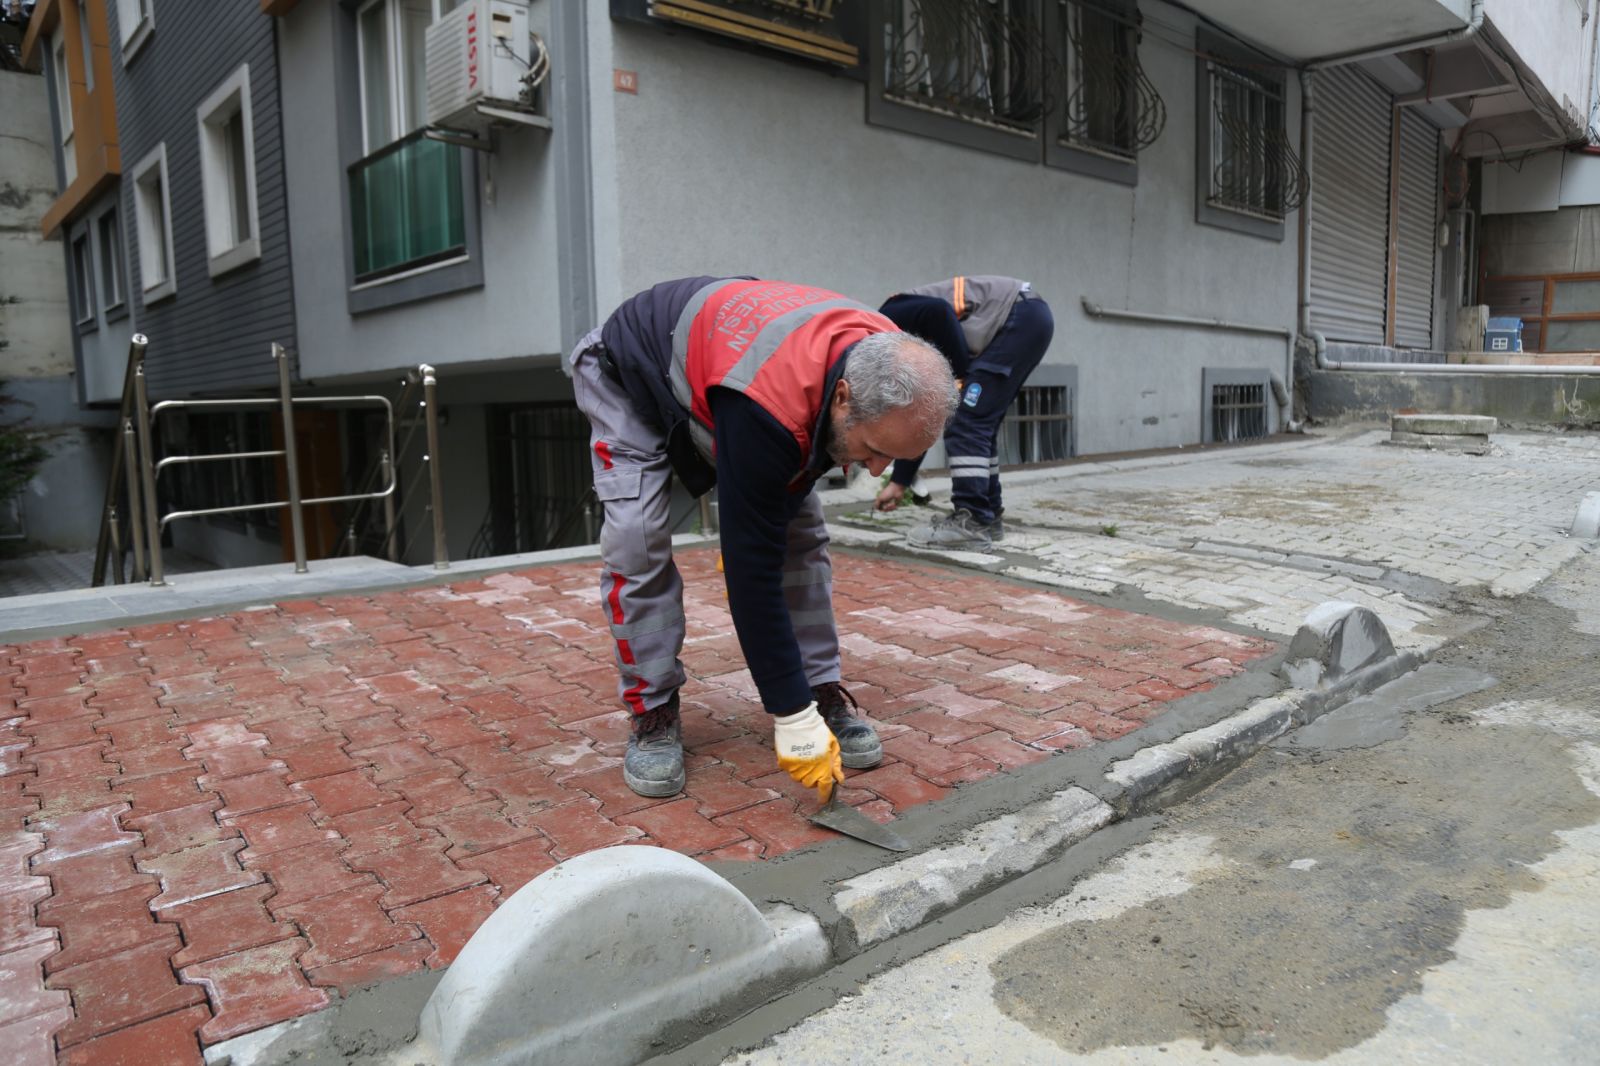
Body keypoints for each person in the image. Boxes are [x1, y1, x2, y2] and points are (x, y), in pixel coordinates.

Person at [566, 277, 956, 800]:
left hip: (726, 373)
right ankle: (651, 708)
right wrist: (791, 718)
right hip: (629, 373)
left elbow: (791, 494)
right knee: (638, 540)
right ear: (843, 399)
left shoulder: (887, 359)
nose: (876, 470)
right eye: (873, 449)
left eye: (894, 457)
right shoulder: (769, 403)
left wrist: (756, 532)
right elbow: (753, 578)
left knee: (801, 536)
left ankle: (819, 687)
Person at [872, 276, 1055, 550]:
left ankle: (972, 523)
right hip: (1027, 318)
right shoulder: (902, 352)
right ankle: (987, 516)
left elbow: (939, 311)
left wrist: (959, 375)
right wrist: (900, 481)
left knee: (966, 420)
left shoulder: (887, 321)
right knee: (979, 422)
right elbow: (928, 415)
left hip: (1018, 315)